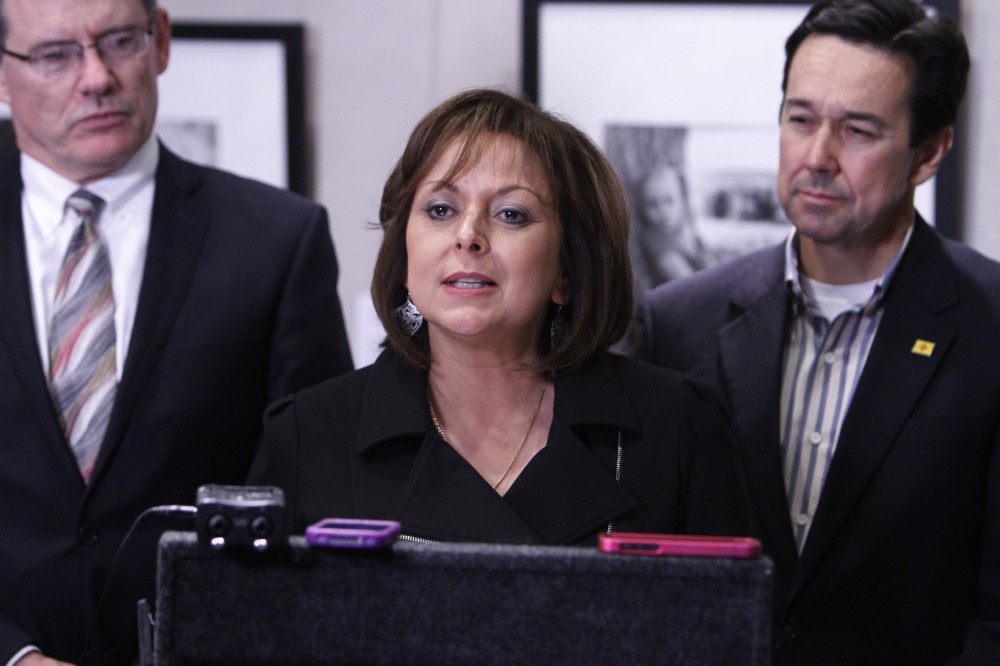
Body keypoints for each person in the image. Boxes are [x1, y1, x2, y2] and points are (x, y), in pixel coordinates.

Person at [637, 1, 999, 664]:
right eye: (800, 119)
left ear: (930, 152)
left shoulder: (991, 327)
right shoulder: (678, 322)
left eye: (859, 131)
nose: (818, 156)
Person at [0, 0, 354, 664]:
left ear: (160, 40)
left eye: (119, 41)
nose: (97, 77)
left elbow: (317, 505)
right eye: (56, 55)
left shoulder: (275, 240)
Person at [249, 88, 750, 551]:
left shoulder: (677, 427)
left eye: (511, 214)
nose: (468, 236)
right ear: (405, 255)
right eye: (441, 209)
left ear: (567, 271)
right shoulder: (307, 434)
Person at [631, 164, 708, 292]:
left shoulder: (680, 233)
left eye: (669, 201)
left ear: (682, 201)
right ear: (642, 209)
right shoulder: (656, 238)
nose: (663, 210)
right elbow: (686, 279)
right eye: (652, 204)